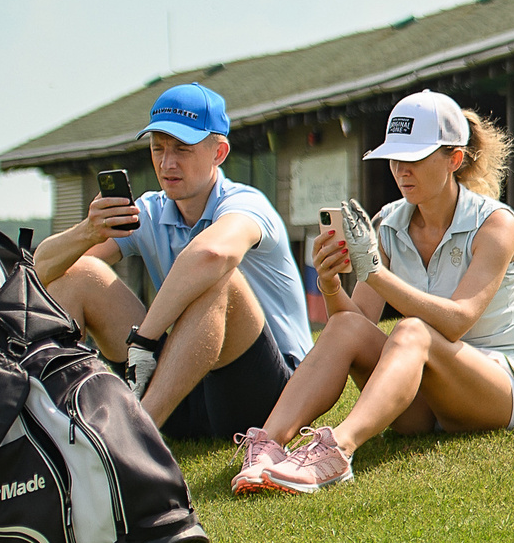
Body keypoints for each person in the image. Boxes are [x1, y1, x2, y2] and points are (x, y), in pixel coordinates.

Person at [230, 91, 514, 493]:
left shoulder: (496, 224)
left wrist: (376, 273)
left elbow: (458, 320)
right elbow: (356, 324)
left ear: (454, 159)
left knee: (412, 331)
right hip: (422, 402)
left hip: (502, 390)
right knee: (346, 326)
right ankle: (268, 446)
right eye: (395, 157)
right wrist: (329, 285)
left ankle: (337, 451)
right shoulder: (388, 223)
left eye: (414, 157)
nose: (401, 169)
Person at [34, 83, 312, 445]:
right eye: (158, 149)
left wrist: (145, 340)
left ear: (219, 152)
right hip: (184, 386)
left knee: (218, 278)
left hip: (269, 395)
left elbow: (211, 255)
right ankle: (53, 428)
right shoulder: (149, 211)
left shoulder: (246, 204)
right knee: (79, 274)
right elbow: (42, 271)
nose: (167, 164)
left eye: (182, 149)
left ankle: (133, 437)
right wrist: (87, 232)